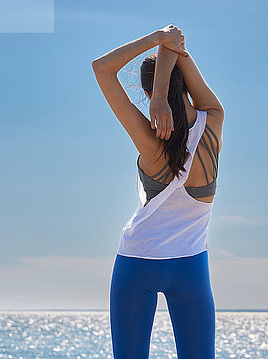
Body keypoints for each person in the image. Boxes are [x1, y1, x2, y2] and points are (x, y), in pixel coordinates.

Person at [91, 25, 225, 359]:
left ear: (148, 94)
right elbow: (178, 44)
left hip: (137, 262)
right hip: (192, 267)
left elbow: (102, 68)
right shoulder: (214, 120)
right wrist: (166, 74)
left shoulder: (149, 143)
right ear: (188, 81)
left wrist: (157, 39)